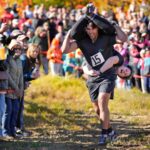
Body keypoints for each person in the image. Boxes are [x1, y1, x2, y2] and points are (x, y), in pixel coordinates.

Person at [61, 4, 127, 145]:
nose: (90, 31)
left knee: (103, 101)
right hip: (92, 78)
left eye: (92, 28)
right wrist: (68, 34)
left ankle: (103, 135)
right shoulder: (82, 41)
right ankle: (109, 130)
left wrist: (115, 26)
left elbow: (124, 39)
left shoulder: (106, 38)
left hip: (107, 75)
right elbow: (64, 50)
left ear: (97, 27)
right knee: (98, 109)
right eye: (88, 29)